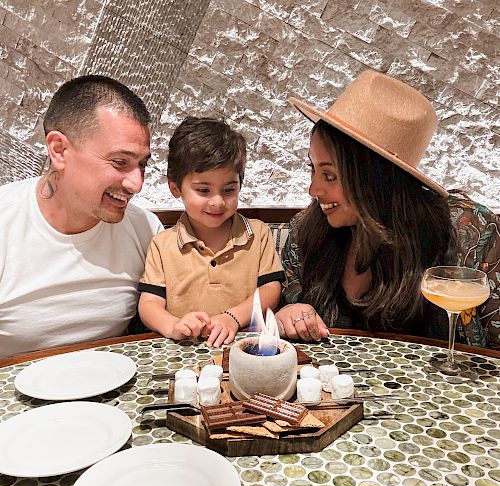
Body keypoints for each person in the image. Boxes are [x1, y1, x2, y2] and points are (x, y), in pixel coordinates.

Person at [276, 70, 500, 349]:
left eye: (330, 175)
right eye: (313, 168)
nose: (313, 190)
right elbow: (287, 309)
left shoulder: (467, 233)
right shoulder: (306, 231)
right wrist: (287, 316)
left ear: (377, 180)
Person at [0, 75, 164, 358]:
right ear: (59, 150)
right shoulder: (7, 221)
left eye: (142, 165)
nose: (136, 184)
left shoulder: (145, 230)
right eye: (119, 162)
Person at [138, 116, 284, 347]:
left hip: (244, 350)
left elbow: (270, 289)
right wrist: (174, 326)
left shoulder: (258, 234)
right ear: (175, 187)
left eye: (228, 189)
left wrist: (232, 317)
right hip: (184, 351)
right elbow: (148, 304)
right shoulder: (162, 244)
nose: (217, 202)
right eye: (203, 190)